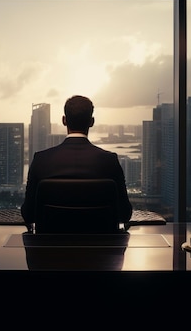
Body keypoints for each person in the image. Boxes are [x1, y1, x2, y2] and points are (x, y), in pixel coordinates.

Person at [21, 95, 133, 230]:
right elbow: (125, 214)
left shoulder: (41, 160)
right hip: (101, 248)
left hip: (50, 248)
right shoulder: (109, 161)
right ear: (91, 122)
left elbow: (28, 214)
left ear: (64, 120)